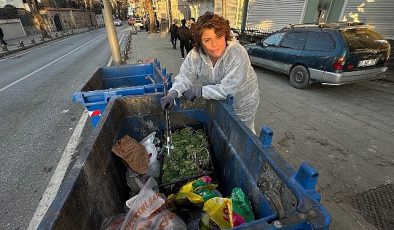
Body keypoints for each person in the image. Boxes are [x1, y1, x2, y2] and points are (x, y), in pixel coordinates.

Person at [160, 12, 259, 133]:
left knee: (242, 134)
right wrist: (173, 93)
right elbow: (185, 77)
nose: (214, 45)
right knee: (222, 130)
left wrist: (199, 91)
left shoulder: (237, 53)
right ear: (200, 41)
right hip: (217, 99)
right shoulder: (195, 55)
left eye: (218, 37)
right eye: (207, 40)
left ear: (225, 36)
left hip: (242, 102)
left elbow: (230, 89)